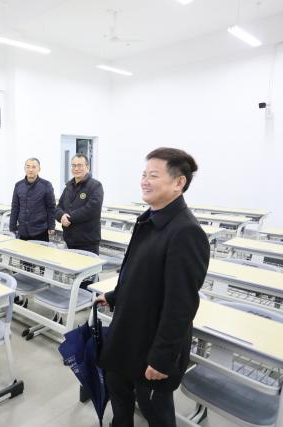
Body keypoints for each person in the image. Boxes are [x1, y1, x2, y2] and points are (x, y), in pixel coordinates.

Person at [96, 148, 210, 427]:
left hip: (151, 345)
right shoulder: (150, 218)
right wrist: (114, 296)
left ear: (179, 182)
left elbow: (181, 306)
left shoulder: (186, 232)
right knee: (118, 390)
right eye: (144, 174)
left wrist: (162, 359)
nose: (144, 181)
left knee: (155, 412)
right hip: (128, 332)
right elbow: (137, 274)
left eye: (153, 176)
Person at [55, 153, 103, 254]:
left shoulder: (95, 186)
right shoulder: (68, 186)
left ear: (87, 167)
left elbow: (91, 210)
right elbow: (58, 207)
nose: (76, 169)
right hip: (69, 239)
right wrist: (61, 216)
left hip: (87, 241)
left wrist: (68, 218)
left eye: (80, 165)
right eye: (73, 165)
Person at [9, 158, 56, 241]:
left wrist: (51, 226)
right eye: (28, 167)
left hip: (40, 231)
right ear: (24, 168)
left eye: (34, 167)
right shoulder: (18, 185)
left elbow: (51, 207)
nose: (30, 170)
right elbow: (15, 207)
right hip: (22, 231)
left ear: (39, 169)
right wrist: (12, 226)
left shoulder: (46, 185)